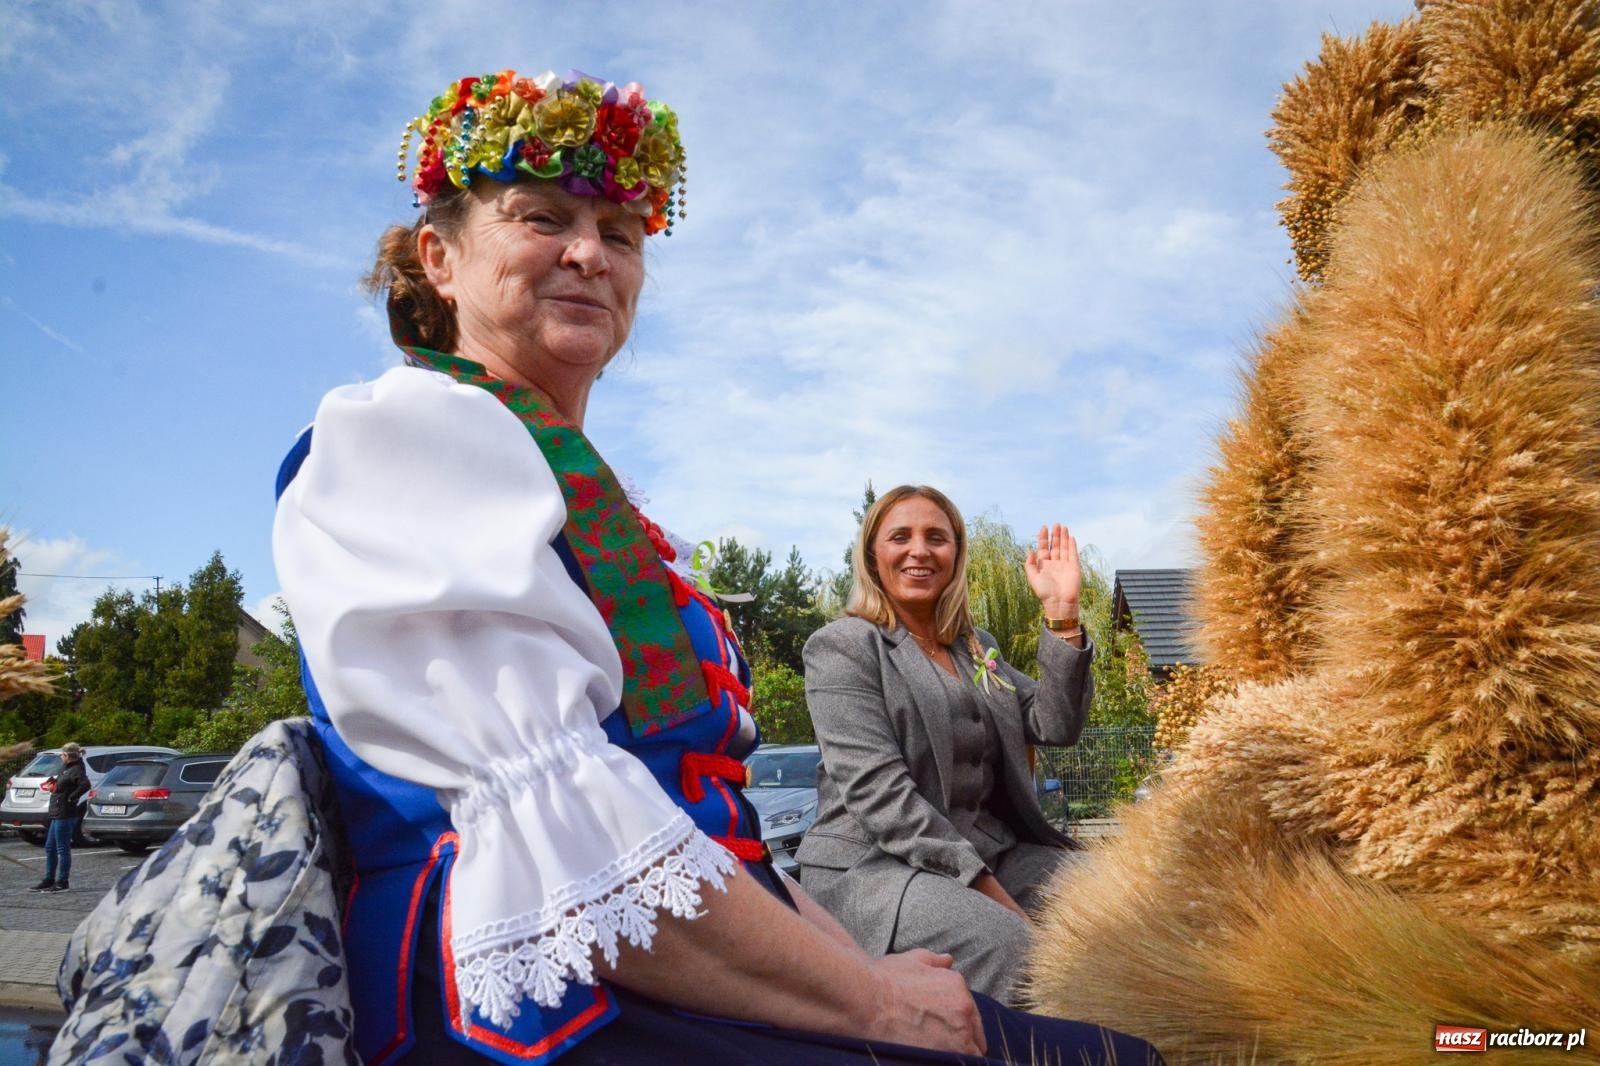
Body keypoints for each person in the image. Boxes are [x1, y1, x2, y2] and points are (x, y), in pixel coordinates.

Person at [273, 68, 1162, 1065]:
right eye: (541, 218)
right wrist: (875, 992)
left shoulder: (969, 643)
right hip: (563, 984)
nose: (586, 253)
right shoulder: (411, 439)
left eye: (618, 234)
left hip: (709, 932)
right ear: (438, 256)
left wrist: (1064, 625)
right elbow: (602, 835)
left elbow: (1039, 730)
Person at [798, 485, 1091, 1004]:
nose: (920, 550)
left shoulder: (978, 648)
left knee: (1111, 894)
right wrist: (994, 898)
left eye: (937, 537)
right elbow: (881, 798)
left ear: (955, 554)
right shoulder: (843, 647)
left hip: (989, 850)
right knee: (1013, 947)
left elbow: (1054, 723)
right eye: (900, 537)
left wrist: (1062, 613)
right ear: (873, 556)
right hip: (877, 868)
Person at [35, 741, 88, 893]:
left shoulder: (77, 769)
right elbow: (64, 783)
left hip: (65, 813)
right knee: (50, 847)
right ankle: (48, 879)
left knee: (62, 848)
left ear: (68, 756)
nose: (61, 757)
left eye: (62, 755)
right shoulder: (67, 768)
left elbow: (85, 785)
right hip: (57, 812)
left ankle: (62, 881)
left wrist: (72, 798)